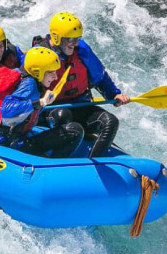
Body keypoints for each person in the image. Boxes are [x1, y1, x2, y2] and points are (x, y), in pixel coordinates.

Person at [33, 12, 130, 158]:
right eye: (71, 39)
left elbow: (100, 77)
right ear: (56, 37)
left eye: (78, 38)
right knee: (62, 116)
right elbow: (25, 85)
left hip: (80, 106)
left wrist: (114, 94)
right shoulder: (40, 55)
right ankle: (56, 161)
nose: (76, 43)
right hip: (50, 111)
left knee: (111, 121)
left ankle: (93, 165)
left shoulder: (82, 50)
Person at [0, 47, 84, 158]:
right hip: (12, 143)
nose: (55, 76)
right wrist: (41, 102)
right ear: (37, 71)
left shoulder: (20, 74)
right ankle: (52, 165)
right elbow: (6, 109)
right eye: (51, 72)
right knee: (75, 130)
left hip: (1, 135)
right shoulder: (30, 84)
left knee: (64, 115)